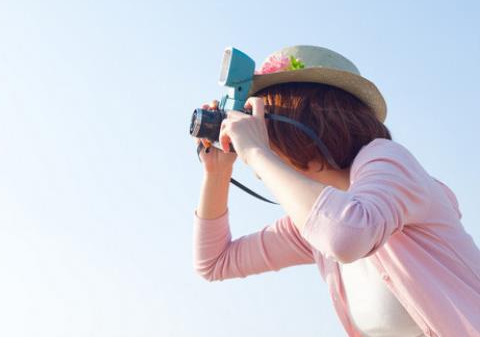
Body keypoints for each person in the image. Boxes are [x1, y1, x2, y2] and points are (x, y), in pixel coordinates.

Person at [192, 45, 480, 337]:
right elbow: (215, 262)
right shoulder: (312, 224)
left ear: (300, 120)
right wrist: (217, 173)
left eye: (261, 119)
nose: (258, 135)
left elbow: (346, 235)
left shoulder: (387, 161)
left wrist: (255, 151)